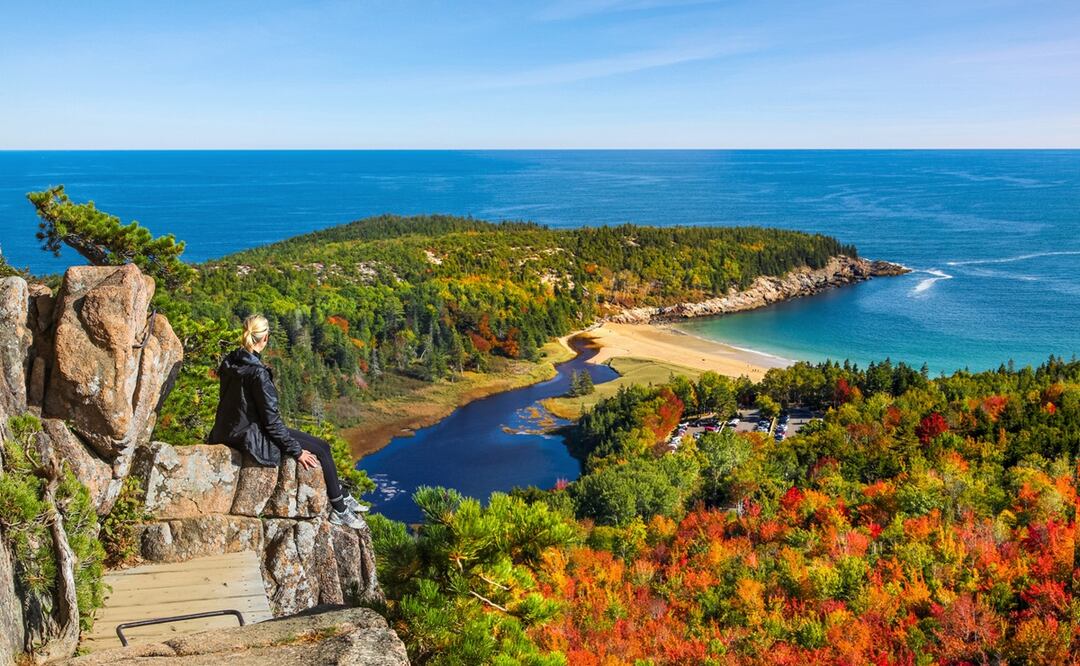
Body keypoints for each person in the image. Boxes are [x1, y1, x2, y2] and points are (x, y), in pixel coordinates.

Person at [209, 314, 368, 529]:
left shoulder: (230, 362)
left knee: (318, 446)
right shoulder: (258, 373)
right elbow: (271, 422)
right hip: (251, 434)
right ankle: (339, 509)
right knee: (321, 449)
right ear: (265, 338)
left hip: (228, 430)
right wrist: (296, 451)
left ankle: (341, 494)